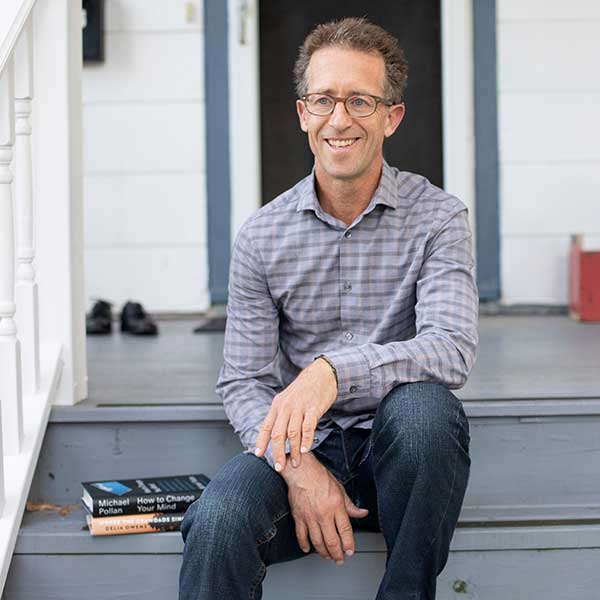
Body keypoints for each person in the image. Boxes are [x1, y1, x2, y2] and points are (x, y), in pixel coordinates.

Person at [179, 17, 478, 600]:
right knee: (215, 522)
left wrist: (333, 372)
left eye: (360, 101)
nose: (339, 120)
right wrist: (297, 470)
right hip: (301, 443)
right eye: (323, 100)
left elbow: (452, 348)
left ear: (391, 117)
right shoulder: (261, 236)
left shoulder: (439, 218)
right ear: (302, 114)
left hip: (399, 451)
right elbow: (243, 381)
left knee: (427, 413)